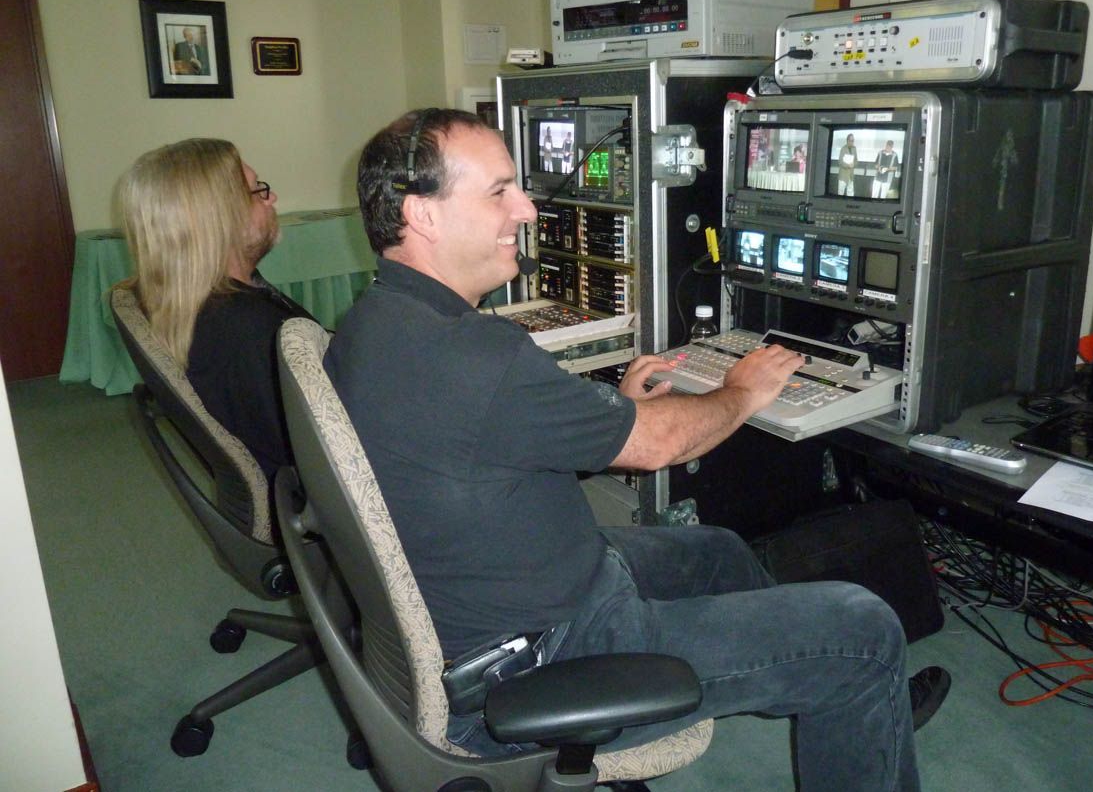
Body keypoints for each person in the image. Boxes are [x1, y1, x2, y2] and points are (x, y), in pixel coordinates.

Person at [326, 109, 947, 791]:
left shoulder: (370, 325)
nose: (527, 210)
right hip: (544, 657)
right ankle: (851, 676)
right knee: (863, 628)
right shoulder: (474, 354)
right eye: (500, 191)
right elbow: (657, 448)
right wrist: (741, 390)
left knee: (719, 551)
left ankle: (834, 702)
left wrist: (611, 410)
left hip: (506, 599)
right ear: (424, 216)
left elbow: (482, 447)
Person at [118, 138, 314, 482]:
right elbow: (328, 455)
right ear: (224, 220)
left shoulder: (183, 302)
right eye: (259, 191)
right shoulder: (253, 331)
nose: (273, 199)